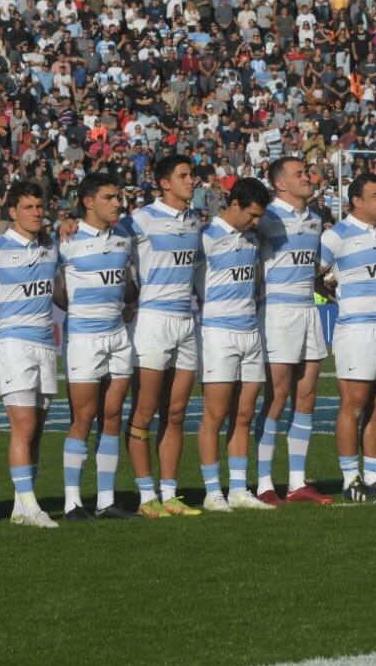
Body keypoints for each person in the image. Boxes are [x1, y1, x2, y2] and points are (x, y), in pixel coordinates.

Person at [124, 155, 205, 518]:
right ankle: (145, 496)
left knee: (175, 413)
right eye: (184, 176)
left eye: (193, 175)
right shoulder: (140, 219)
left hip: (185, 321)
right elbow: (107, 243)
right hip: (152, 321)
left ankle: (170, 494)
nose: (193, 181)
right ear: (164, 183)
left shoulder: (194, 221)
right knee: (143, 413)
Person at [55, 171, 139, 521]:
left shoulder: (125, 236)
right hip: (84, 340)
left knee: (112, 417)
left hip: (118, 336)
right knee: (83, 418)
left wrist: (128, 302)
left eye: (118, 197)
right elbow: (53, 289)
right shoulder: (66, 241)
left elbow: (128, 283)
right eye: (109, 198)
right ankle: (72, 502)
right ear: (88, 203)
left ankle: (106, 501)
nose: (117, 203)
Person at [0, 180, 61, 528]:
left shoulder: (52, 247)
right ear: (13, 212)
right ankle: (31, 506)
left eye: (40, 207)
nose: (37, 213)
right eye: (28, 207)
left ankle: (19, 506)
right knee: (23, 425)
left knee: (37, 429)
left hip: (45, 344)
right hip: (13, 346)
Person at [320, 173, 376, 503]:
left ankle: (373, 475)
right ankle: (349, 477)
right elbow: (313, 274)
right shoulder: (335, 236)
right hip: (356, 330)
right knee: (354, 406)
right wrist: (333, 295)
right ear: (356, 201)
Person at [254, 156, 332, 505]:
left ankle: (297, 481)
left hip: (308, 310)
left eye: (307, 171)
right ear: (280, 184)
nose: (308, 177)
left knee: (307, 397)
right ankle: (263, 482)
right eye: (299, 174)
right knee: (277, 397)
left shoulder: (314, 219)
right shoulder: (265, 218)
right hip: (277, 312)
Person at [195, 177, 273, 512]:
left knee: (244, 414)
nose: (256, 222)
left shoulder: (252, 237)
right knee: (214, 415)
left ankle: (239, 489)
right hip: (217, 333)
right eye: (252, 215)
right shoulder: (206, 237)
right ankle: (213, 491)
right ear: (235, 205)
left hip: (250, 332)